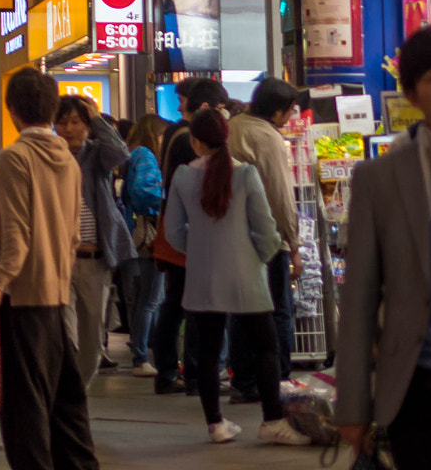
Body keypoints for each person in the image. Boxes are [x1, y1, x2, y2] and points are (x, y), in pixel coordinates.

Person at [337, 22, 431, 470]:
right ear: (411, 95)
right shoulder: (381, 179)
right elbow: (359, 299)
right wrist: (352, 408)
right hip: (422, 395)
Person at [0, 68, 98, 470]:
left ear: (12, 110)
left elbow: (16, 232)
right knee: (66, 409)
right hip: (57, 293)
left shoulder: (16, 157)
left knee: (25, 415)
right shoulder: (68, 157)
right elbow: (71, 232)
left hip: (23, 296)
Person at [163, 108, 303, 445]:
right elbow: (266, 228)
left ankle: (216, 425)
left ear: (196, 142)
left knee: (208, 353)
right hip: (247, 276)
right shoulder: (246, 174)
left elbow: (173, 232)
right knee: (265, 348)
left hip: (202, 277)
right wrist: (263, 256)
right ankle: (271, 421)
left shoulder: (182, 176)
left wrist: (196, 251)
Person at [151, 76, 230, 395]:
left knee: (175, 304)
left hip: (176, 229)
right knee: (192, 305)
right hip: (187, 233)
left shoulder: (174, 132)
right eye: (220, 109)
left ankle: (170, 371)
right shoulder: (189, 140)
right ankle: (191, 373)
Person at [226, 78, 301, 401]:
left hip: (232, 236)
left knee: (241, 312)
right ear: (276, 111)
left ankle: (244, 381)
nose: (290, 116)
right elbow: (281, 196)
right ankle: (279, 379)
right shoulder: (267, 137)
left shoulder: (232, 127)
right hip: (267, 238)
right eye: (289, 110)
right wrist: (294, 244)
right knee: (278, 310)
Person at [53, 94, 130, 388]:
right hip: (60, 258)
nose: (69, 128)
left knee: (93, 336)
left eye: (76, 122)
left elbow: (121, 154)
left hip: (95, 258)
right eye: (63, 122)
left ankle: (76, 392)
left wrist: (97, 119)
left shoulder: (97, 154)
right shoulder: (51, 155)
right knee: (64, 329)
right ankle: (62, 387)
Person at [120, 112, 170, 377]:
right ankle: (142, 356)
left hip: (138, 232)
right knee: (151, 299)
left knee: (150, 298)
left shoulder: (134, 155)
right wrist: (166, 199)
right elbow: (144, 190)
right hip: (149, 233)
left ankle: (146, 353)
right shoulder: (147, 156)